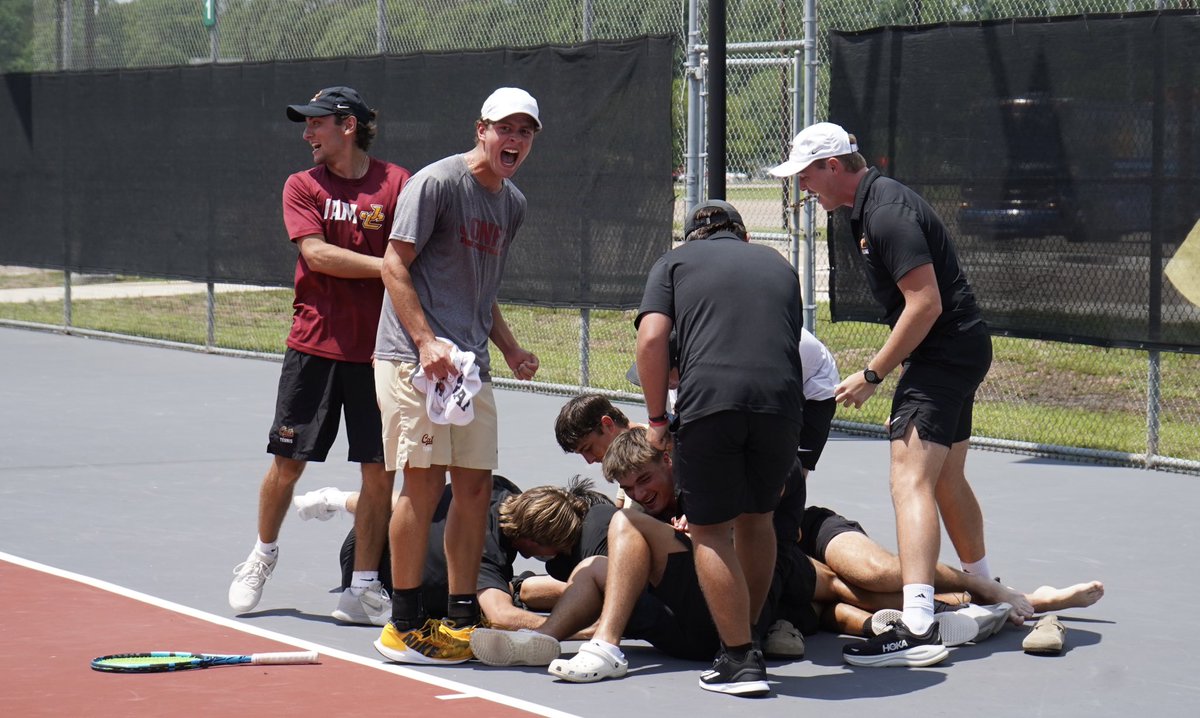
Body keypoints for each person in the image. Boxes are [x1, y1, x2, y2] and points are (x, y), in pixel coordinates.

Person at [770, 121, 1028, 668]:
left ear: (834, 167)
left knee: (908, 478)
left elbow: (925, 303)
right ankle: (987, 590)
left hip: (942, 355)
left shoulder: (886, 210)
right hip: (955, 351)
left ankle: (916, 625)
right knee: (945, 478)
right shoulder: (870, 207)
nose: (805, 188)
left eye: (808, 176)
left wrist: (872, 373)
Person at [227, 86, 410, 627]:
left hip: (381, 352)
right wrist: (388, 268)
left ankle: (362, 588)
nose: (307, 134)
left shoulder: (397, 183)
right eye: (305, 125)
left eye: (316, 124)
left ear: (347, 125)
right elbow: (316, 253)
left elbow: (416, 246)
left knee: (380, 474)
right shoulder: (301, 185)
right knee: (288, 465)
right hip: (314, 348)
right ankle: (262, 555)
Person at [372, 87, 542, 664]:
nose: (514, 139)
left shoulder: (512, 202)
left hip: (471, 368)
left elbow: (481, 291)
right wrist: (425, 344)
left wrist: (512, 350)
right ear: (481, 129)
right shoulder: (437, 183)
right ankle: (401, 623)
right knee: (422, 484)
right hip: (408, 359)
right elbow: (394, 265)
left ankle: (459, 620)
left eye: (525, 131)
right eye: (505, 128)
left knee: (473, 489)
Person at [634, 199, 805, 694]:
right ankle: (747, 635)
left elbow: (651, 341)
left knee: (709, 531)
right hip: (781, 405)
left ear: (692, 238)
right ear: (744, 235)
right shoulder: (778, 264)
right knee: (757, 518)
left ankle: (737, 659)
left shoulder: (673, 262)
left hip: (711, 402)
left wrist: (656, 420)